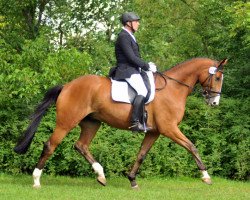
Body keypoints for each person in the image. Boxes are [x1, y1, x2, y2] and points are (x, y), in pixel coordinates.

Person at [111, 12, 157, 132]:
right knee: (142, 90)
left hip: (133, 69)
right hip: (126, 70)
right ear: (128, 23)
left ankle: (144, 117)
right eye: (136, 21)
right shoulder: (123, 36)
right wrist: (147, 65)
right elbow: (131, 57)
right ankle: (135, 122)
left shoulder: (129, 35)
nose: (138, 24)